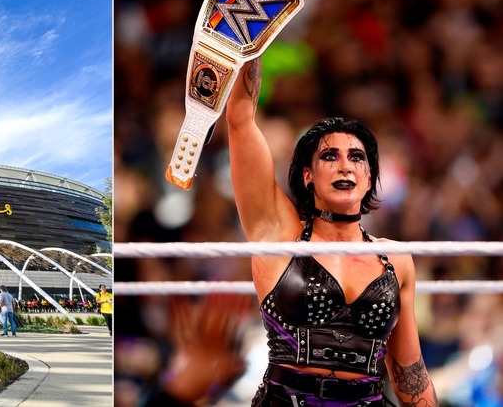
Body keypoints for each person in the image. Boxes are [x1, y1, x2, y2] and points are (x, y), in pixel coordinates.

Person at [150, 56, 438, 406]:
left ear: (369, 178)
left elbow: (411, 376)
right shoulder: (280, 238)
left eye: (357, 157)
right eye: (329, 156)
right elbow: (240, 119)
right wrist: (250, 50)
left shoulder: (396, 259)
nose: (345, 165)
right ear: (307, 176)